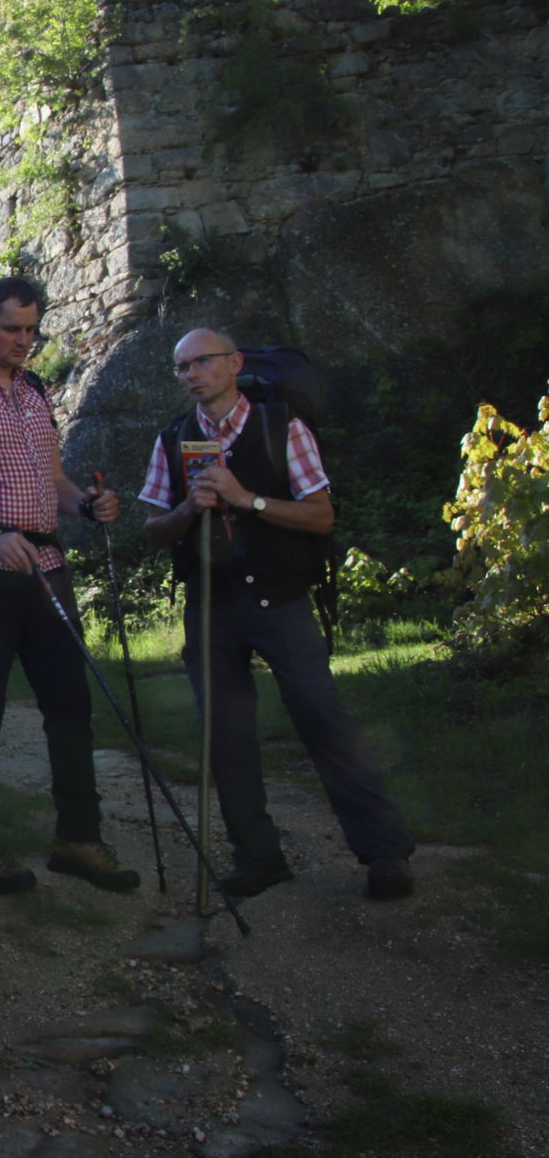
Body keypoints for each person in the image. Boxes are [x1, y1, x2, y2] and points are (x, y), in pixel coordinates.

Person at [139, 328, 415, 900]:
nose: (192, 373)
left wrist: (247, 500)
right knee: (226, 735)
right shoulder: (174, 439)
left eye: (203, 362)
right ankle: (258, 857)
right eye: (181, 366)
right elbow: (152, 531)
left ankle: (385, 853)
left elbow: (321, 516)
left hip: (280, 600)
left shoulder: (281, 428)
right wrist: (191, 506)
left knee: (322, 718)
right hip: (211, 606)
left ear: (234, 363)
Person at [0, 277, 137, 894]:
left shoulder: (35, 392)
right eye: (11, 328)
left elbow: (52, 480)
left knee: (71, 704)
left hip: (45, 563)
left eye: (32, 330)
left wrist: (86, 505)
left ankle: (78, 838)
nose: (23, 341)